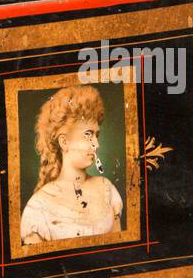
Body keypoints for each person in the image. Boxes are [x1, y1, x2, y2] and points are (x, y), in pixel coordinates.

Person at [21, 86, 123, 245]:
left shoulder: (107, 189)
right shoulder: (38, 207)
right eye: (88, 135)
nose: (96, 145)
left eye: (97, 135)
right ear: (64, 142)